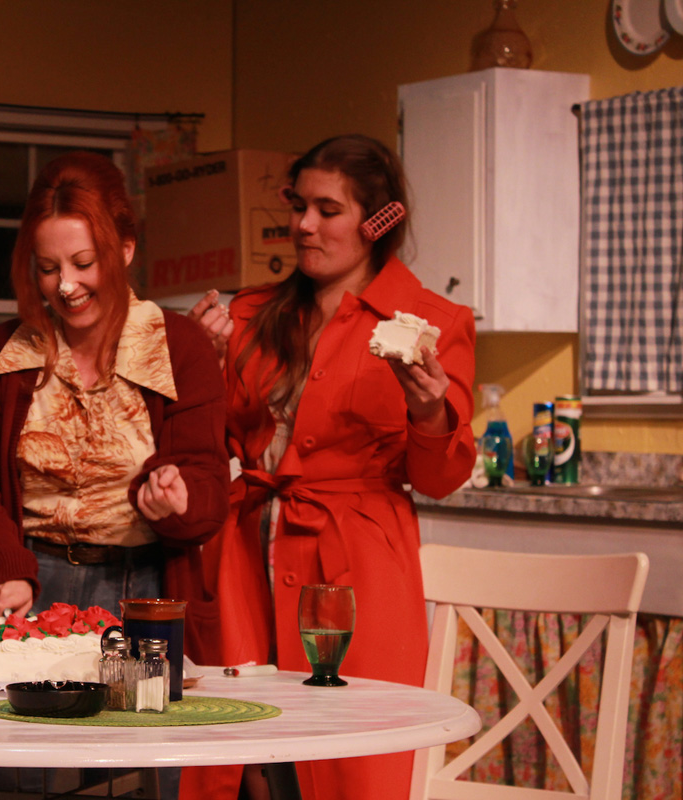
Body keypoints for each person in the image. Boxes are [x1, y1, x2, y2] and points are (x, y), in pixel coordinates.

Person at [183, 134, 477, 800]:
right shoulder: (249, 315)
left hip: (356, 568)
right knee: (243, 755)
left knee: (350, 760)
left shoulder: (434, 323)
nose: (304, 225)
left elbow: (439, 479)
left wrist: (430, 412)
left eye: (327, 210)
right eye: (298, 205)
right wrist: (199, 365)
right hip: (244, 555)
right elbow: (207, 445)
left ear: (379, 221)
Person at [0, 150, 229, 622]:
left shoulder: (180, 346)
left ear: (125, 248)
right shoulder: (7, 352)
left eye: (83, 263)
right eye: (48, 268)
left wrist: (179, 499)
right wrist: (5, 569)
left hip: (143, 586)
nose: (66, 286)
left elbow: (208, 487)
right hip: (29, 583)